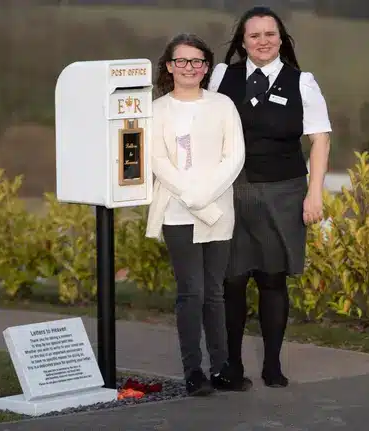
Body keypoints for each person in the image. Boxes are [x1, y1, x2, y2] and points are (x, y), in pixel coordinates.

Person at [207, 6, 332, 388]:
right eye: (254, 35)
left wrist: (315, 194)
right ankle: (231, 366)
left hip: (283, 192)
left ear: (282, 39)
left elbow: (320, 139)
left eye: (270, 34)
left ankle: (273, 366)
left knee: (272, 279)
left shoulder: (303, 82)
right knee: (231, 281)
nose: (263, 41)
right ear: (242, 43)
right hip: (232, 191)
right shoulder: (221, 77)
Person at [145, 33, 249, 396]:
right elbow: (157, 161)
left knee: (215, 295)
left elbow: (233, 157)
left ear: (206, 67)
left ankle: (221, 367)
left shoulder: (223, 106)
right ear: (169, 67)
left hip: (219, 210)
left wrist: (204, 198)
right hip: (177, 212)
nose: (189, 67)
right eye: (181, 61)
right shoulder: (156, 111)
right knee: (191, 292)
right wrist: (192, 198)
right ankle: (194, 372)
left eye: (197, 61)